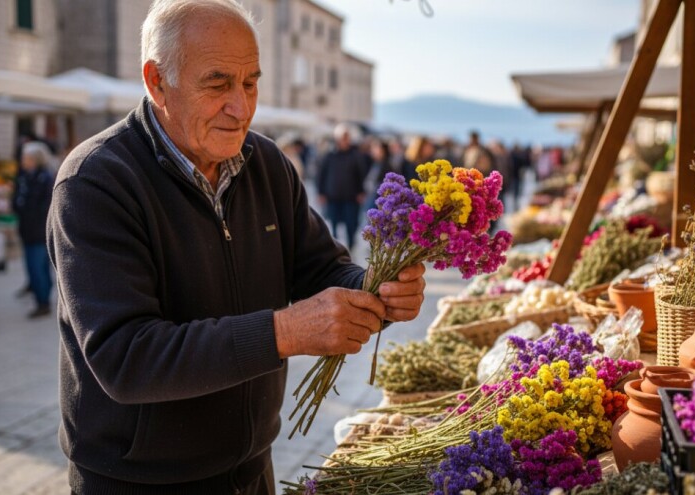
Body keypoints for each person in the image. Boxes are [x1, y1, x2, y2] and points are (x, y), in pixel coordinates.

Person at [46, 1, 426, 493]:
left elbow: (321, 266)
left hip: (250, 465)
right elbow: (126, 358)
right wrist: (283, 332)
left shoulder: (266, 162)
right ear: (157, 81)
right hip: (138, 480)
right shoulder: (95, 181)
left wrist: (378, 288)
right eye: (218, 83)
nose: (241, 107)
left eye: (250, 84)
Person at [13, 141, 55, 318]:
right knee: (34, 266)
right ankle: (42, 297)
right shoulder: (24, 176)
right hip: (28, 229)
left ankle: (43, 301)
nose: (24, 161)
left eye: (27, 158)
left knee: (38, 266)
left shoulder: (45, 178)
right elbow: (17, 200)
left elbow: (47, 205)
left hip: (39, 230)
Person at [316, 123, 368, 251]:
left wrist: (362, 192)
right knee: (332, 224)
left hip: (351, 197)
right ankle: (334, 249)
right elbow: (321, 174)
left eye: (347, 137)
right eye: (342, 137)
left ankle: (351, 245)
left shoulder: (356, 155)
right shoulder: (329, 155)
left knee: (351, 224)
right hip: (333, 196)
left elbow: (362, 174)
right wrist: (320, 192)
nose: (345, 140)